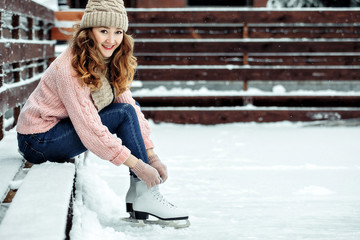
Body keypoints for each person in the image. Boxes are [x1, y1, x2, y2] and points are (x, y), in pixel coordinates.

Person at [16, 0, 188, 223]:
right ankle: (145, 192)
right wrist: (138, 165)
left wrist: (152, 157)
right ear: (89, 32)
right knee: (124, 112)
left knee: (127, 110)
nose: (111, 39)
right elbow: (89, 128)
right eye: (103, 31)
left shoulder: (108, 59)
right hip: (37, 140)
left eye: (118, 32)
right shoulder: (69, 67)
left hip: (57, 131)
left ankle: (142, 194)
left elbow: (130, 108)